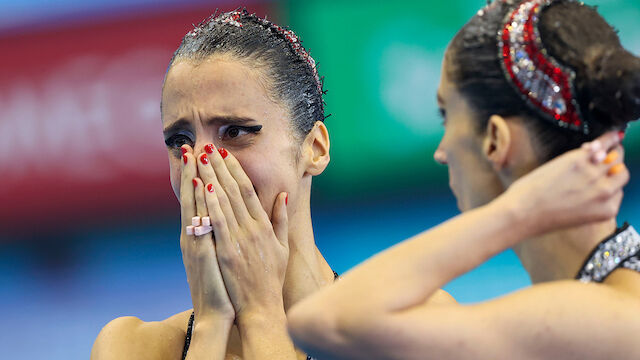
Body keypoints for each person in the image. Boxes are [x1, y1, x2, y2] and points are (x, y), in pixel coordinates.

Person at [287, 0, 640, 359]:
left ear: (495, 141)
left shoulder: (595, 319)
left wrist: (517, 211)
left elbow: (322, 322)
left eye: (446, 115)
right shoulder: (605, 300)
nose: (441, 151)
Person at [91, 9, 337, 360]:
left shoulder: (405, 331)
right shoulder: (133, 348)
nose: (203, 167)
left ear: (314, 149)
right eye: (180, 141)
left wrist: (261, 315)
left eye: (234, 132)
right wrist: (211, 324)